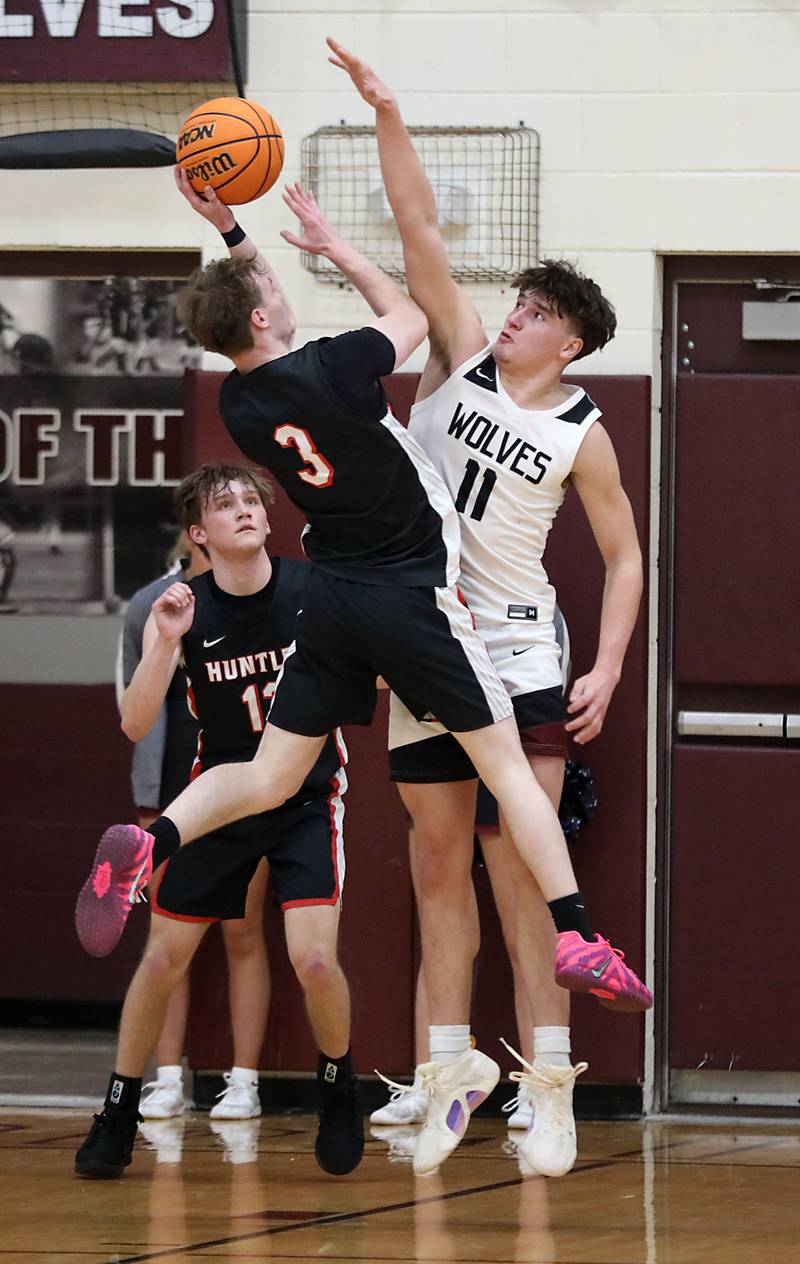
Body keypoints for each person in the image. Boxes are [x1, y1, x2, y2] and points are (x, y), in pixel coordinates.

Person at [74, 164, 650, 1177]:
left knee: (265, 771)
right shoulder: (343, 365)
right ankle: (574, 933)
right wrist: (325, 250)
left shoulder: (244, 402)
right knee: (504, 774)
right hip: (409, 595)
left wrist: (244, 235)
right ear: (267, 315)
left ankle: (154, 833)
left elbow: (265, 320)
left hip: (334, 596)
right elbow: (410, 313)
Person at [329, 38, 646, 1178]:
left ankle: (548, 1087)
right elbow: (418, 229)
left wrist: (606, 663)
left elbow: (622, 558)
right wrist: (387, 114)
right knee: (430, 869)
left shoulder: (581, 430)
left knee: (522, 872)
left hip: (517, 647)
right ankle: (444, 1078)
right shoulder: (454, 360)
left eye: (533, 310)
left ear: (568, 339)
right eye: (513, 300)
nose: (510, 315)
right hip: (422, 643)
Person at [74, 463, 361, 1179]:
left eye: (250, 501)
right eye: (223, 505)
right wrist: (165, 644)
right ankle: (118, 1106)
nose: (243, 510)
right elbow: (136, 721)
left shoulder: (312, 590)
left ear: (268, 517)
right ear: (199, 534)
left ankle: (338, 1086)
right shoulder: (181, 607)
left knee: (314, 959)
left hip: (304, 795)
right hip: (220, 797)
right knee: (163, 958)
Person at [120, 534, 271, 1123]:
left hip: (242, 788)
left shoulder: (266, 601)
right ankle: (163, 1078)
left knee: (243, 932)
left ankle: (245, 1080)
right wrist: (146, 797)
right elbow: (135, 704)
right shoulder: (151, 605)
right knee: (168, 939)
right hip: (171, 796)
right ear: (193, 528)